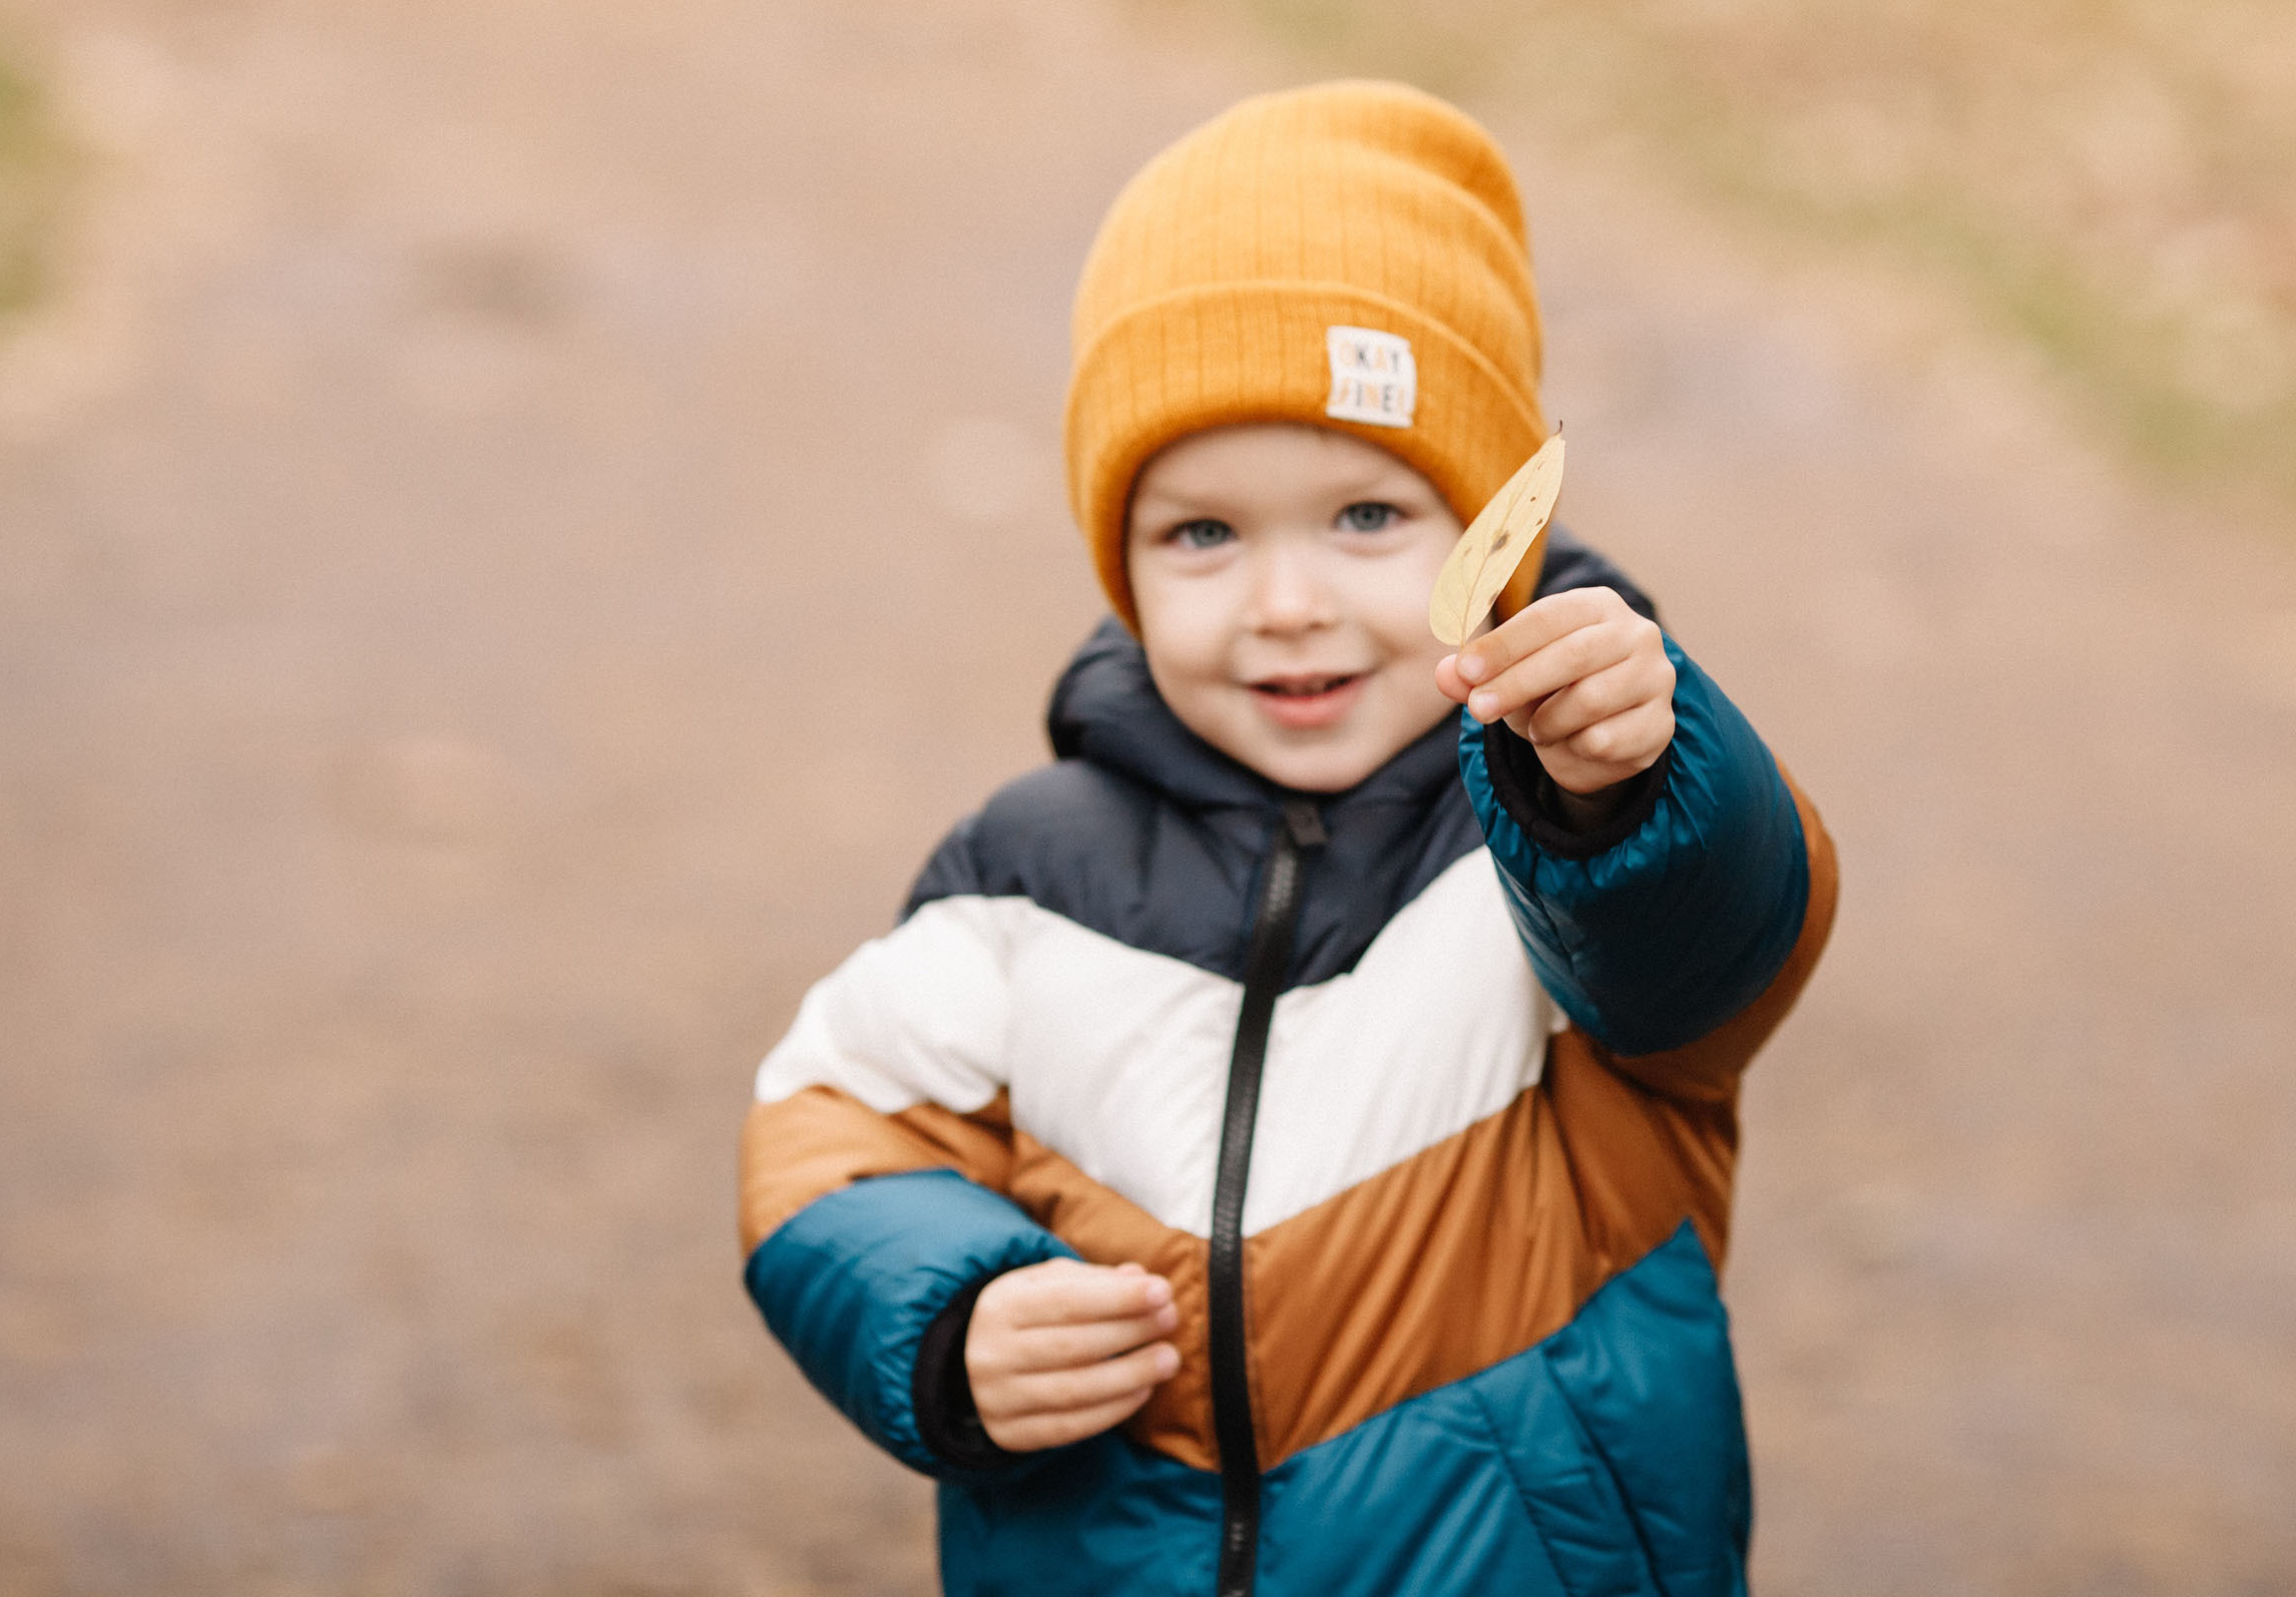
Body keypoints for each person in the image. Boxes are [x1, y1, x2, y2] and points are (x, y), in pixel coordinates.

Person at [736, 80, 1838, 1597]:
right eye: (1203, 533)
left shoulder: (1553, 854)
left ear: (1492, 535)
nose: (1287, 602)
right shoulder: (1029, 875)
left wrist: (1614, 785)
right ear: (1118, 562)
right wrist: (939, 1321)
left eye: (1369, 518)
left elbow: (1716, 940)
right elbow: (832, 1125)